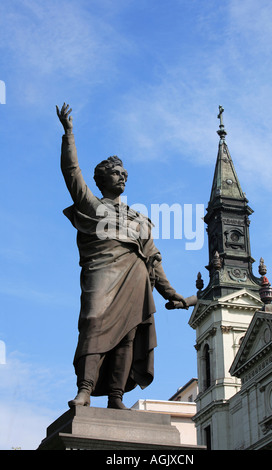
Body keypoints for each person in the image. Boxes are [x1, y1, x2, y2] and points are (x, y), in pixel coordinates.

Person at [56, 103, 187, 410]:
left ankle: (117, 396)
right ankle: (85, 390)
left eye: (124, 173)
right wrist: (69, 134)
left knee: (128, 337)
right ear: (102, 179)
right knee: (93, 322)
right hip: (102, 275)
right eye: (115, 173)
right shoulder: (93, 207)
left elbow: (153, 260)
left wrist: (172, 293)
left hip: (135, 280)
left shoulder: (139, 219)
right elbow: (71, 172)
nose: (122, 177)